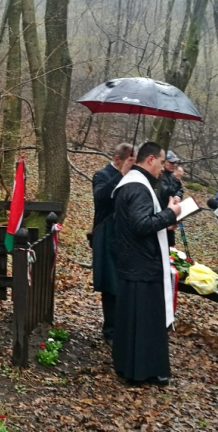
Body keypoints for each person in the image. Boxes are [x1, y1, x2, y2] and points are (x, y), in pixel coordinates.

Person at [112, 142, 181, 386]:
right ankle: (143, 370)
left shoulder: (131, 182)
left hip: (133, 262)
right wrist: (170, 214)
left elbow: (138, 221)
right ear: (150, 159)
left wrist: (165, 220)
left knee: (132, 320)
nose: (163, 168)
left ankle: (128, 366)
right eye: (162, 162)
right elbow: (141, 225)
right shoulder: (138, 187)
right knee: (145, 322)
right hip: (142, 264)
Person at [91, 143, 134, 347]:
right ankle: (110, 330)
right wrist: (121, 175)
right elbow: (101, 198)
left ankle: (124, 327)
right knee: (110, 283)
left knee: (125, 282)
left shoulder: (133, 178)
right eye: (128, 161)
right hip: (106, 234)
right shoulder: (102, 175)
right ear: (117, 159)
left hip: (126, 236)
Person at [159, 152, 184, 246]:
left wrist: (178, 196)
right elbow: (164, 192)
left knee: (170, 243)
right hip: (161, 211)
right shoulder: (160, 174)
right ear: (164, 162)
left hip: (171, 213)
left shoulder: (172, 176)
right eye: (171, 163)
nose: (173, 165)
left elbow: (180, 189)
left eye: (175, 163)